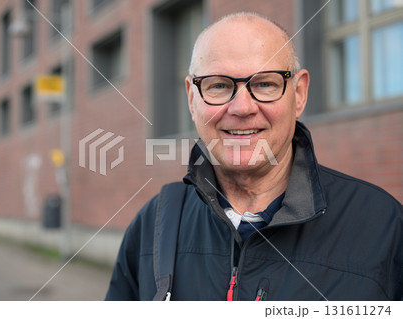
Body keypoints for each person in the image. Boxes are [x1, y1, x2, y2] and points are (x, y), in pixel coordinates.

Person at [105, 12, 403, 301]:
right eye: (219, 85)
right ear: (192, 99)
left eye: (264, 84)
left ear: (298, 94)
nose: (242, 107)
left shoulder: (383, 227)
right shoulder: (154, 226)